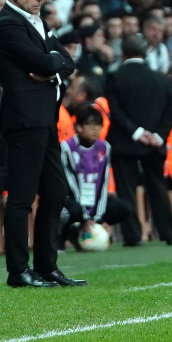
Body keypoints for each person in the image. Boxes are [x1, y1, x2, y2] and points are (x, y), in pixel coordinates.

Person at [0, 0, 82, 288]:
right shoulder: (8, 25)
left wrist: (51, 66)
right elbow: (47, 61)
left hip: (44, 119)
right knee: (21, 197)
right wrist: (52, 63)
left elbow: (67, 62)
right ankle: (18, 271)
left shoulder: (36, 22)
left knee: (55, 192)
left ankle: (46, 266)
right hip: (25, 119)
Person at [106, 35, 172, 245]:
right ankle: (169, 233)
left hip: (125, 142)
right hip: (155, 144)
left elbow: (115, 112)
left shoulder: (115, 77)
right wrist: (158, 135)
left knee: (126, 190)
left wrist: (137, 132)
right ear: (145, 53)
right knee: (157, 187)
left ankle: (132, 236)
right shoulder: (161, 78)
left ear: (122, 54)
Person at [60, 104, 140, 249]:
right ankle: (63, 236)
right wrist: (84, 217)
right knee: (68, 210)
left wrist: (98, 218)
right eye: (91, 125)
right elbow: (71, 184)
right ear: (79, 127)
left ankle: (89, 229)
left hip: (94, 200)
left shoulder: (105, 148)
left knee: (124, 208)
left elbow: (103, 183)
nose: (96, 129)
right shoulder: (67, 148)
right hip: (72, 198)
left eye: (98, 125)